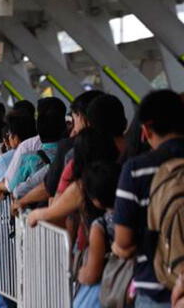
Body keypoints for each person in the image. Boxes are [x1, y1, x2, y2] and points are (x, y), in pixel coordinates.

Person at [113, 90, 184, 307]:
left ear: (145, 129)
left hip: (157, 287)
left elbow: (124, 240)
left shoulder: (136, 169)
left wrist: (119, 248)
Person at [73, 161, 120, 308]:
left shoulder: (100, 226)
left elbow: (92, 273)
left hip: (107, 292)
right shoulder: (134, 215)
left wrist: (80, 273)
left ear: (96, 200)